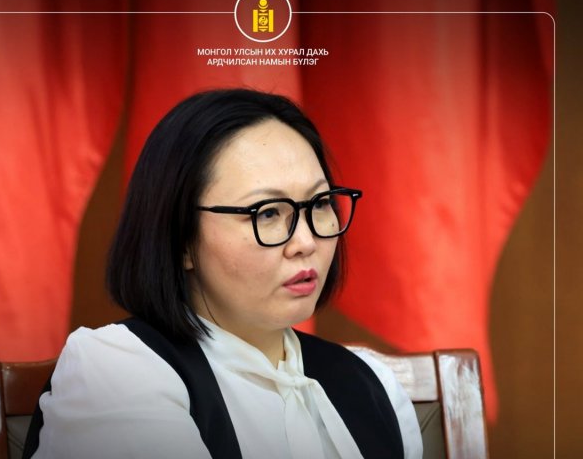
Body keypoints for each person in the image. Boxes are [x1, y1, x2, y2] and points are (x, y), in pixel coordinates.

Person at [25, 89, 423, 458]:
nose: (305, 241)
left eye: (319, 203)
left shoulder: (374, 383)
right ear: (181, 239)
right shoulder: (116, 368)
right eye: (267, 212)